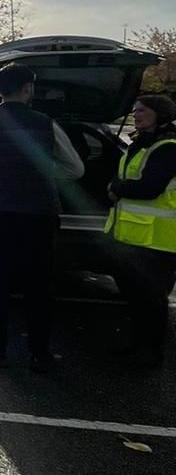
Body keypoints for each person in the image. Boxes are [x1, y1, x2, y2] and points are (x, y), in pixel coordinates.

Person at [0, 63, 84, 372]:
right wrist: (45, 175)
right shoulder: (45, 124)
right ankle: (40, 352)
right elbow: (76, 169)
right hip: (39, 213)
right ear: (29, 89)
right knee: (38, 283)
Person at [105, 95, 176, 369]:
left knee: (152, 300)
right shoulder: (141, 144)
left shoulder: (167, 148)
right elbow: (122, 175)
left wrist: (117, 189)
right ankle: (137, 344)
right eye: (134, 110)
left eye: (142, 111)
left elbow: (150, 188)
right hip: (133, 236)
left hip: (158, 241)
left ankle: (151, 353)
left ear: (160, 113)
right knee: (135, 296)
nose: (135, 115)